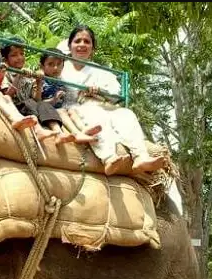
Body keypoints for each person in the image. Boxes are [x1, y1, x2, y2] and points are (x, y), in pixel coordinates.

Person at [59, 25, 166, 175]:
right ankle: (108, 157)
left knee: (127, 114)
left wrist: (99, 91)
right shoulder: (61, 68)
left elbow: (116, 94)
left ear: (93, 48)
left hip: (103, 105)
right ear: (70, 46)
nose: (82, 45)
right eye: (77, 41)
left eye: (87, 41)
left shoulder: (101, 71)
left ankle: (140, 157)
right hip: (76, 108)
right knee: (96, 114)